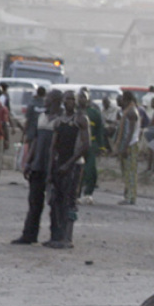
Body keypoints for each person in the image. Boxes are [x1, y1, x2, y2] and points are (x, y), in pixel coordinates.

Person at [12, 89, 62, 245]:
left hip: (53, 167)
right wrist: (29, 162)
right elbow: (35, 141)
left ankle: (56, 236)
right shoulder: (42, 117)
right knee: (34, 202)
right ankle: (29, 234)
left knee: (54, 203)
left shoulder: (61, 119)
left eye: (48, 98)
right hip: (38, 165)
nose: (45, 100)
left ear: (55, 100)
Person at [44, 94, 90, 249]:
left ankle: (67, 237)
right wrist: (51, 169)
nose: (68, 102)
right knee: (56, 201)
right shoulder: (59, 121)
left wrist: (69, 164)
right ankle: (56, 235)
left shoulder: (81, 120)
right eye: (66, 99)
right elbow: (53, 146)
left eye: (71, 99)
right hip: (60, 164)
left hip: (74, 165)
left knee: (70, 201)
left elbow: (85, 145)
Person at [115, 91, 144, 205]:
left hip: (130, 145)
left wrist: (125, 147)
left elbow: (130, 132)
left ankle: (130, 197)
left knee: (130, 172)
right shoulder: (128, 111)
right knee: (127, 172)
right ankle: (129, 195)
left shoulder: (131, 112)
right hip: (129, 144)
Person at [79, 90, 105, 204]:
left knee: (90, 169)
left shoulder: (94, 113)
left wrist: (101, 147)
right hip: (77, 145)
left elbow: (99, 131)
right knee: (78, 170)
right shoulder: (74, 112)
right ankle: (76, 193)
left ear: (88, 99)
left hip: (91, 145)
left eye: (84, 97)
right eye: (80, 97)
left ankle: (88, 193)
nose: (82, 99)